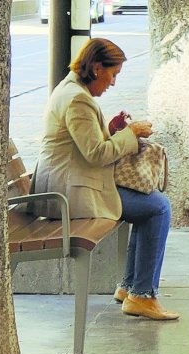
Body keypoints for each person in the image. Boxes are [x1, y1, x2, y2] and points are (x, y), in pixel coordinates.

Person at [31, 38, 179, 320]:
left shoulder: (70, 90)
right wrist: (131, 133)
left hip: (69, 183)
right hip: (69, 194)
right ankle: (141, 295)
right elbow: (97, 154)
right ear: (98, 68)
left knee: (153, 205)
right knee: (158, 207)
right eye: (113, 74)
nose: (113, 82)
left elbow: (86, 144)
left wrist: (113, 130)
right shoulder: (77, 100)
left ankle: (130, 288)